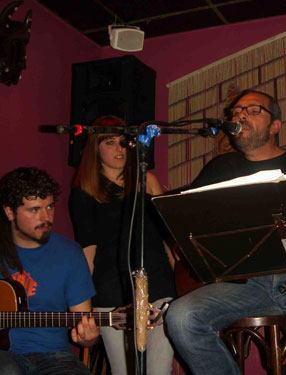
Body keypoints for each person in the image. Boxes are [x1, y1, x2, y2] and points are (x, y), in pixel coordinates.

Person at [166, 89, 286, 375]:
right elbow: (186, 215)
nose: (241, 115)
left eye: (253, 110)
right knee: (180, 316)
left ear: (275, 126)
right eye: (237, 111)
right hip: (244, 284)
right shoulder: (220, 168)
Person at [69, 115, 176, 375]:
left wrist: (180, 283)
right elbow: (88, 251)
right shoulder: (84, 192)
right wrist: (87, 306)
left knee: (159, 370)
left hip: (158, 285)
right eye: (110, 142)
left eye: (123, 142)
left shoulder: (147, 180)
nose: (119, 149)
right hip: (111, 293)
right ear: (95, 148)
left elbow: (167, 239)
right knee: (125, 371)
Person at [0, 167, 98, 375]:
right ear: (10, 212)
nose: (46, 217)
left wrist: (89, 337)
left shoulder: (70, 254)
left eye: (50, 207)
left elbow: (84, 322)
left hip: (54, 358)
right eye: (35, 209)